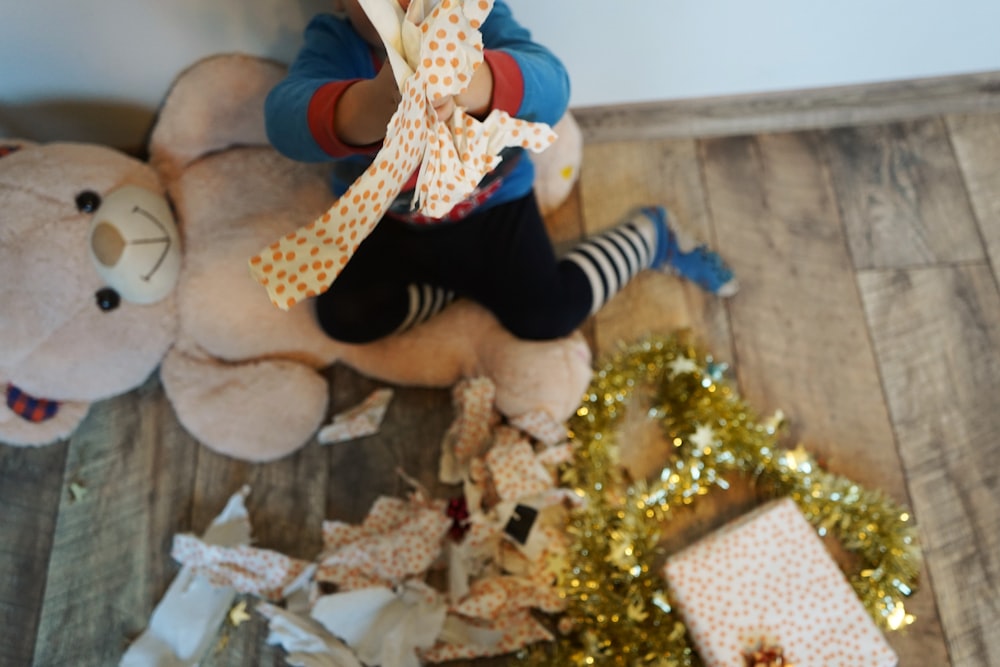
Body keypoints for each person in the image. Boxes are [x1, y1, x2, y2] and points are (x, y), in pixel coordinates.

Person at [264, 0, 737, 344]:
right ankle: (458, 288)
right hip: (390, 223)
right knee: (342, 318)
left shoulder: (485, 21)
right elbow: (284, 124)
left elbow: (553, 88)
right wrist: (368, 105)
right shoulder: (337, 41)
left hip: (495, 209)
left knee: (545, 317)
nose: (409, 9)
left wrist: (478, 82)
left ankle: (652, 236)